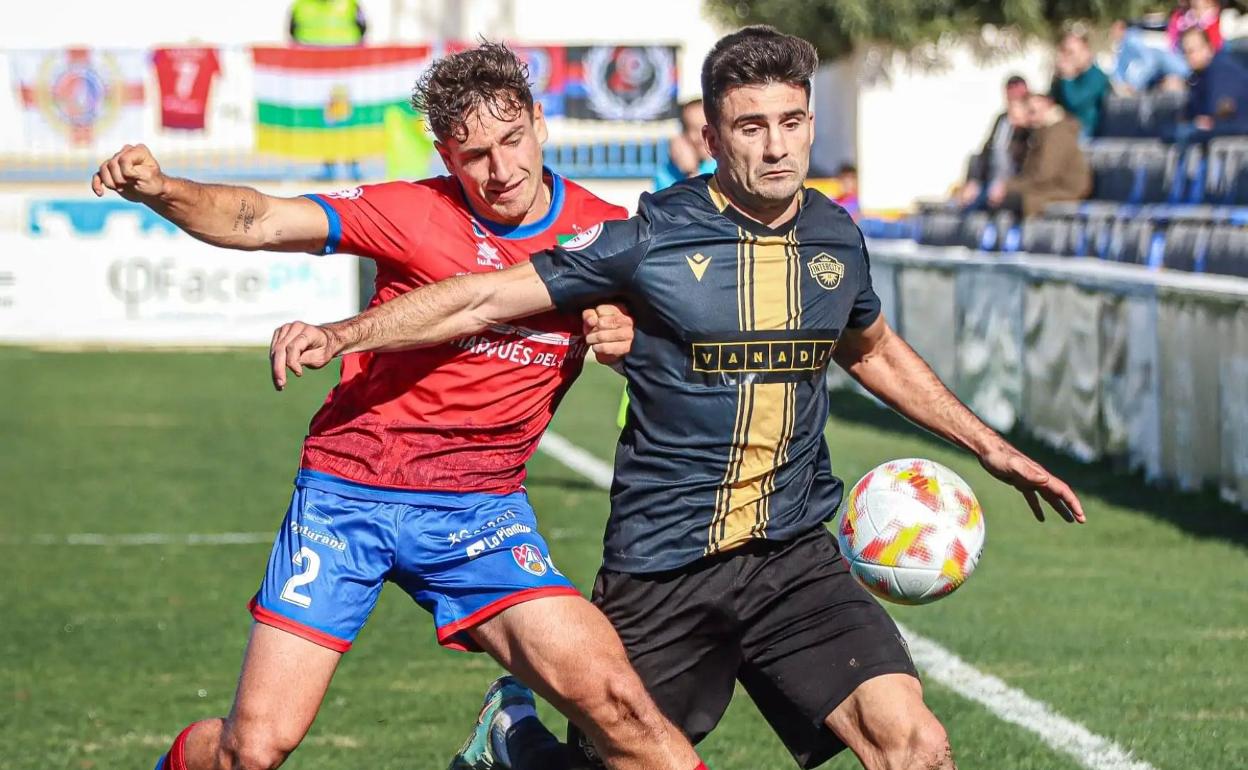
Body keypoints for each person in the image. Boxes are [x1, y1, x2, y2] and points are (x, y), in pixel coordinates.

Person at [269, 26, 1086, 770]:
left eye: (791, 122)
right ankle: (518, 747)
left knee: (916, 745)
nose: (776, 146)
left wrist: (992, 448)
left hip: (793, 555)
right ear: (713, 138)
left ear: (810, 123)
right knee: (623, 758)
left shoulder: (836, 237)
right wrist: (346, 334)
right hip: (665, 566)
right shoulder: (652, 236)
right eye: (750, 127)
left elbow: (872, 349)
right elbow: (482, 298)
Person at [91, 42, 707, 770]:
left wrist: (630, 340)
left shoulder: (603, 232)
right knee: (250, 751)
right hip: (347, 496)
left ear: (540, 123)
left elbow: (681, 348)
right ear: (447, 156)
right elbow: (259, 219)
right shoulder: (413, 210)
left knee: (621, 709)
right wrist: (162, 189)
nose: (502, 169)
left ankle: (508, 736)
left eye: (513, 140)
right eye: (475, 155)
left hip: (480, 514)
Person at [289, 0, 368, 181]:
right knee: (324, 119)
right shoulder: (301, 6)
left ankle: (353, 164)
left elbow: (363, 31)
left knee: (348, 117)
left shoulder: (350, 4)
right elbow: (293, 33)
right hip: (317, 75)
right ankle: (329, 166)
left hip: (345, 72)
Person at [989, 93, 1092, 218]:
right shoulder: (1042, 132)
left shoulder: (1057, 133)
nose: (1029, 117)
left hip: (1065, 189)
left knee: (1003, 201)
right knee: (994, 199)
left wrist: (1008, 186)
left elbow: (1044, 175)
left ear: (1047, 107)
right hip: (1050, 186)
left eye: (1033, 112)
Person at [957, 75, 1031, 209]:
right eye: (1011, 94)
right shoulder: (1002, 119)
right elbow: (987, 150)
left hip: (1012, 182)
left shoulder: (1031, 125)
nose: (1014, 98)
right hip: (991, 179)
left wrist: (1021, 126)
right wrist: (973, 180)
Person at [1180, 26, 1248, 135]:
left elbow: (1224, 106)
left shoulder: (1222, 68)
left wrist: (1211, 118)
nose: (1188, 56)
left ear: (1209, 48)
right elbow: (1189, 114)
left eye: (1192, 51)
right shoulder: (1198, 77)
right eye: (1185, 52)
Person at [1052, 31, 1112, 138]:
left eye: (1070, 52)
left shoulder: (1096, 76)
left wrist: (1067, 75)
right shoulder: (1067, 79)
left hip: (1091, 133)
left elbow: (1075, 102)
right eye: (1064, 51)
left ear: (1085, 52)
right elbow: (1053, 100)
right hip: (1069, 129)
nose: (1066, 57)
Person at [653, 97, 716, 190]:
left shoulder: (725, 168)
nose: (701, 136)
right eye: (694, 129)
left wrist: (692, 173)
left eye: (706, 127)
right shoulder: (666, 174)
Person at [288, 0, 366, 46]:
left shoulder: (300, 3)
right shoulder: (350, 2)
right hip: (346, 53)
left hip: (307, 53)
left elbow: (292, 30)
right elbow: (363, 28)